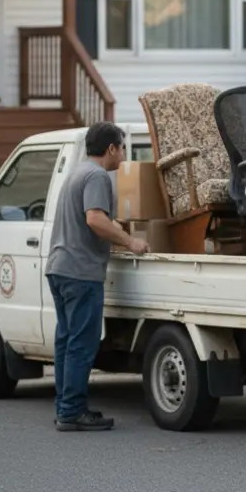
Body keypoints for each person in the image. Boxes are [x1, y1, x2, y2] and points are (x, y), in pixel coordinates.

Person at [45, 121, 148, 431]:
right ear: (111, 149)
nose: (124, 154)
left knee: (67, 341)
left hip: (60, 268)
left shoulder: (78, 172)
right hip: (81, 273)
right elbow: (94, 219)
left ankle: (65, 407)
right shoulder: (97, 176)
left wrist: (116, 227)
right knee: (82, 343)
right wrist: (130, 242)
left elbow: (93, 218)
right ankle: (73, 411)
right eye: (123, 148)